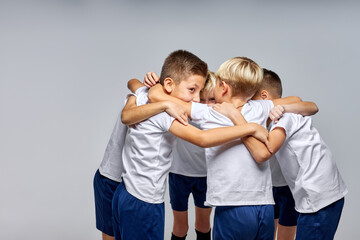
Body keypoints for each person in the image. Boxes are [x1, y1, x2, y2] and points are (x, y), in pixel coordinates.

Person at [147, 56, 317, 239]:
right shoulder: (261, 107)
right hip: (266, 207)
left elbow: (156, 96)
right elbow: (304, 103)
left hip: (232, 208)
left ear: (223, 86)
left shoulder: (208, 112)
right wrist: (281, 110)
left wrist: (156, 84)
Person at [112, 50, 271, 240]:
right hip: (143, 199)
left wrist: (157, 94)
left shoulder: (146, 98)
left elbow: (133, 93)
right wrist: (250, 127)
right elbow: (202, 138)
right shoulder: (166, 113)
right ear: (169, 85)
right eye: (192, 90)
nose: (197, 98)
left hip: (126, 191)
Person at [222, 69, 347, 240]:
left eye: (250, 102)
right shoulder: (285, 114)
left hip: (319, 198)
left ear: (264, 98)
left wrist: (237, 119)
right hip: (323, 194)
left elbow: (263, 153)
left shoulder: (284, 118)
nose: (247, 108)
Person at [144, 71, 216, 240]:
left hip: (206, 176)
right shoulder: (181, 108)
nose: (204, 104)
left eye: (211, 99)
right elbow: (157, 92)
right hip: (179, 174)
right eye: (201, 97)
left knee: (203, 224)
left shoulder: (217, 115)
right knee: (181, 226)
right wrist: (152, 80)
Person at [252, 69, 299, 240]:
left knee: (286, 235)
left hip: (288, 188)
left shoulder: (288, 118)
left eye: (250, 97)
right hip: (266, 187)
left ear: (264, 97)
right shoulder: (254, 120)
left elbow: (305, 104)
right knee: (265, 234)